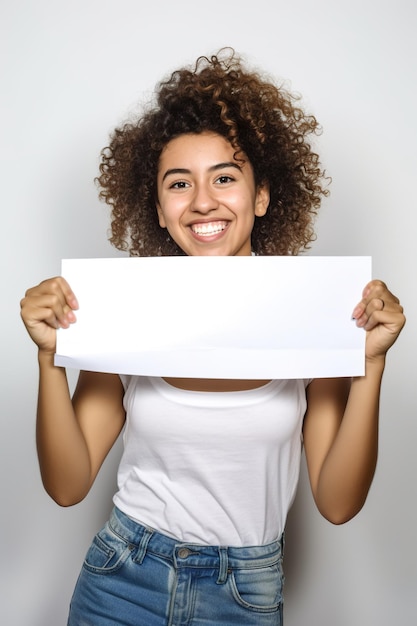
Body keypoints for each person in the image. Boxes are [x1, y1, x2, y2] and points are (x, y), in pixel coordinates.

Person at [20, 48, 405, 626]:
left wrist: (369, 364)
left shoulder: (313, 315)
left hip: (244, 593)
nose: (203, 201)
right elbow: (68, 486)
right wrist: (51, 357)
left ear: (262, 195)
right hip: (121, 578)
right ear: (157, 207)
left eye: (225, 178)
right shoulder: (127, 312)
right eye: (179, 183)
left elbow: (338, 502)